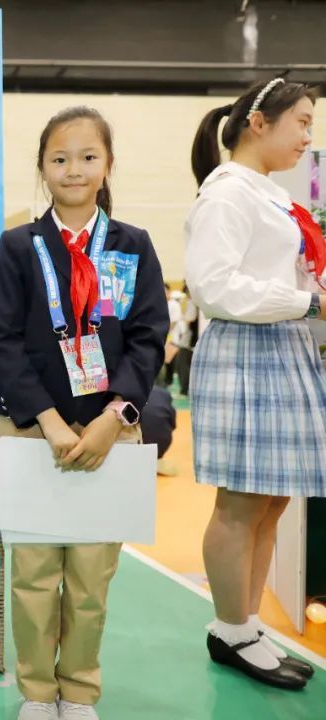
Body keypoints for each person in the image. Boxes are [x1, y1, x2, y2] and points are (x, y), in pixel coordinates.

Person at [0, 106, 168, 720]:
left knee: (92, 579)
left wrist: (115, 417)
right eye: (59, 158)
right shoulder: (18, 247)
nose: (74, 169)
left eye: (88, 157)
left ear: (108, 164)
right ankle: (38, 693)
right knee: (34, 576)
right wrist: (49, 420)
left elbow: (148, 338)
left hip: (111, 432)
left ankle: (80, 692)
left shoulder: (133, 246)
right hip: (32, 431)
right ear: (42, 167)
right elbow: (2, 341)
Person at [185, 78, 322, 690]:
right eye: (302, 121)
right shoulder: (227, 194)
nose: (308, 137)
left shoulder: (268, 194)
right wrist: (308, 302)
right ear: (258, 123)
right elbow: (213, 287)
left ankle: (247, 623)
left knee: (272, 500)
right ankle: (229, 630)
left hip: (281, 346)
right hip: (247, 349)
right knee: (241, 503)